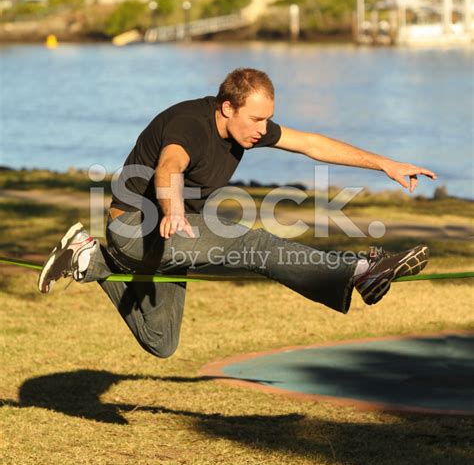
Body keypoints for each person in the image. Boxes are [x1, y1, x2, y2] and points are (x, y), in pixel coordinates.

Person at [38, 68, 436, 358]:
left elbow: (312, 144)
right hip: (136, 228)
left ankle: (89, 258)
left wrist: (385, 163)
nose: (263, 129)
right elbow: (169, 166)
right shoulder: (190, 124)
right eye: (256, 119)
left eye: (267, 119)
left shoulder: (244, 127)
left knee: (161, 341)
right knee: (252, 244)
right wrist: (172, 206)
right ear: (227, 107)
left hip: (169, 237)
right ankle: (360, 272)